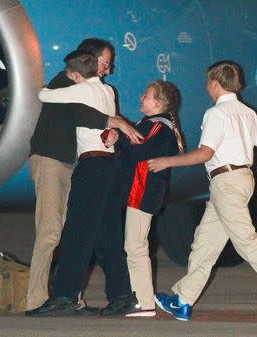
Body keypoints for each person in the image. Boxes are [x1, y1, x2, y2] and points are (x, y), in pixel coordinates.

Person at [148, 61, 257, 323]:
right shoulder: (247, 113)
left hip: (226, 181)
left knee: (246, 240)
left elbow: (205, 153)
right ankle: (183, 300)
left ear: (214, 84)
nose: (206, 89)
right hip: (241, 179)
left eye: (207, 84)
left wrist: (167, 161)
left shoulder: (216, 114)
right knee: (204, 244)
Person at [26, 39, 141, 315]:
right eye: (105, 62)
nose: (108, 69)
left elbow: (44, 96)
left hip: (89, 166)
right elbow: (96, 117)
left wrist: (114, 124)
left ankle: (65, 295)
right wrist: (115, 124)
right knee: (105, 232)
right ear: (91, 61)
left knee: (77, 231)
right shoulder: (107, 91)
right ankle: (121, 295)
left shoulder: (78, 89)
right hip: (102, 165)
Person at [118, 81, 184, 317]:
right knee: (134, 245)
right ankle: (140, 300)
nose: (141, 98)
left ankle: (143, 302)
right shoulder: (151, 125)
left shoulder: (157, 126)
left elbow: (138, 150)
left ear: (158, 103)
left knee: (135, 247)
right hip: (140, 192)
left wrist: (119, 133)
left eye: (145, 95)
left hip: (142, 192)